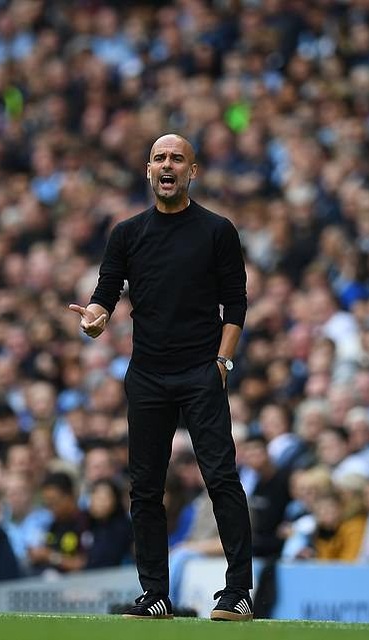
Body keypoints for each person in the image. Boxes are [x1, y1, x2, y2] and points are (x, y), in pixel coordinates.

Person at [69, 133, 254, 621]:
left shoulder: (217, 230)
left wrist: (223, 363)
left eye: (176, 158)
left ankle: (238, 592)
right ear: (148, 170)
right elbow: (105, 292)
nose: (167, 165)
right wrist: (95, 317)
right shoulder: (127, 234)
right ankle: (154, 595)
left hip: (201, 371)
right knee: (145, 488)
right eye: (159, 158)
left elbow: (235, 303)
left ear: (192, 172)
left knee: (220, 478)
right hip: (148, 374)